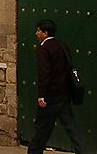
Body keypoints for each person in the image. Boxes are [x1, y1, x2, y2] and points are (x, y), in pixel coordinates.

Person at [26, 19, 86, 154]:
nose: (36, 33)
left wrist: (41, 95)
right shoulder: (62, 45)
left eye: (38, 31)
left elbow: (44, 73)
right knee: (71, 127)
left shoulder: (44, 49)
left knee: (42, 128)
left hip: (50, 96)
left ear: (45, 33)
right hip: (64, 95)